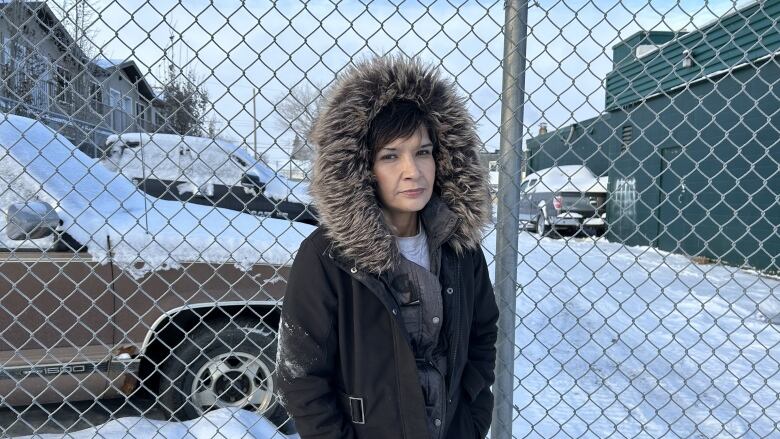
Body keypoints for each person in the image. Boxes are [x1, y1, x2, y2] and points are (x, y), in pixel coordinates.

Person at [276, 55, 499, 439]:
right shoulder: (328, 257)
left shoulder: (459, 247)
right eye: (390, 156)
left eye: (423, 152)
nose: (412, 170)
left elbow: (482, 332)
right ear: (362, 167)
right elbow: (301, 377)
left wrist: (473, 418)